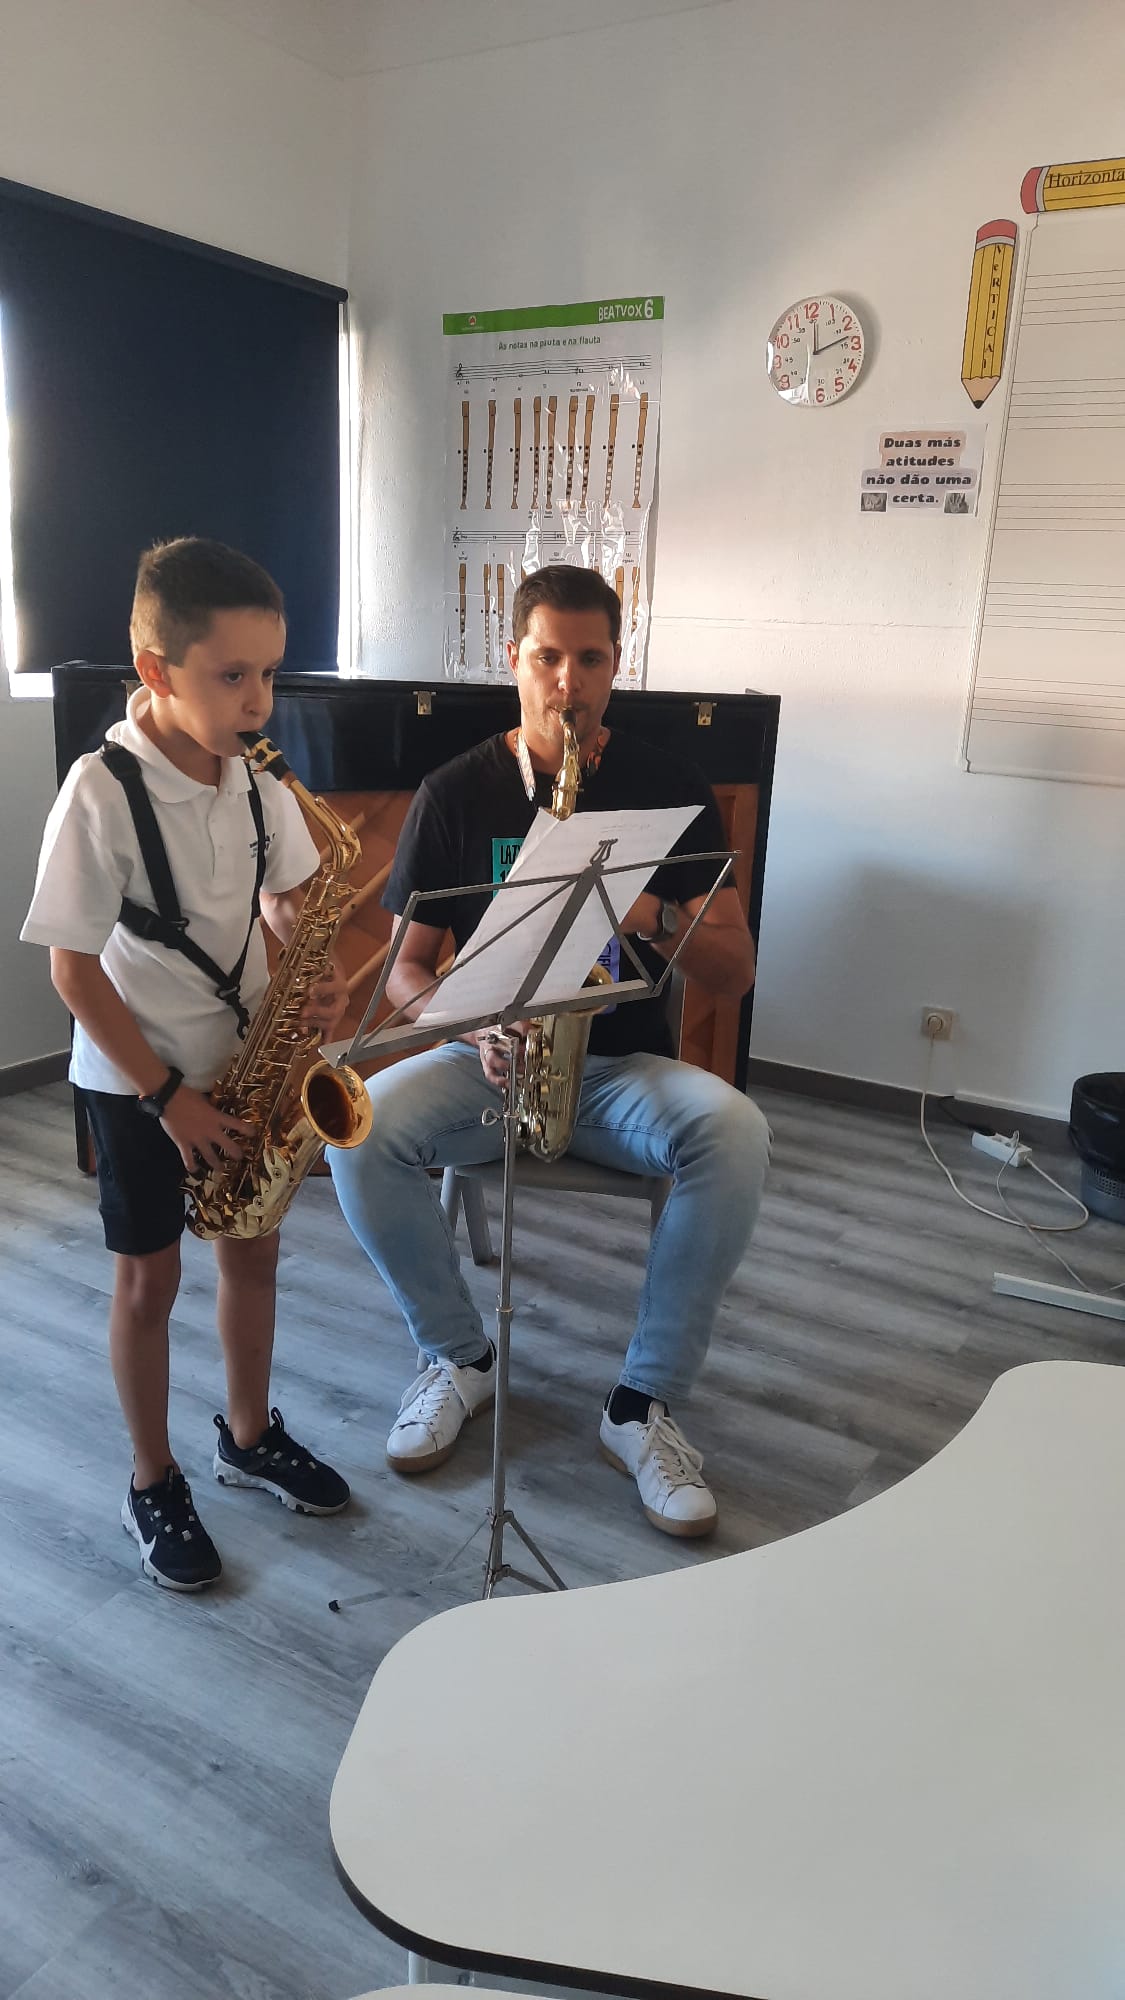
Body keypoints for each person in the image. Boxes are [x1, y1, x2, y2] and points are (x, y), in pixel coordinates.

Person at [330, 564, 770, 1538]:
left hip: (619, 1072)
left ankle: (641, 1404)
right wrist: (471, 1022)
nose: (568, 683)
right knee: (358, 1132)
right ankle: (460, 1356)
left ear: (616, 663)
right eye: (547, 658)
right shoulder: (455, 791)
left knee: (735, 1131)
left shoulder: (668, 785)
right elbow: (405, 972)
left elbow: (734, 970)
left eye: (590, 659)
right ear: (514, 658)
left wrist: (650, 910)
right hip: (485, 1064)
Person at [21, 538, 351, 1592]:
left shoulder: (255, 777)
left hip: (241, 1061)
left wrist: (315, 967)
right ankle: (152, 1476)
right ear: (156, 670)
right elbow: (74, 971)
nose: (260, 701)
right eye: (233, 675)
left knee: (252, 1256)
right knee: (148, 1280)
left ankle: (248, 1436)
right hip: (137, 1081)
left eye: (271, 674)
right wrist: (168, 1099)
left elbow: (285, 900)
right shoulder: (100, 790)